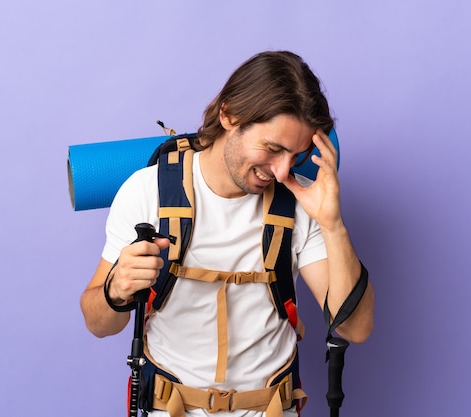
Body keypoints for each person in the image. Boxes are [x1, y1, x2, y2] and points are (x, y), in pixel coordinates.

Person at [80, 50, 375, 417]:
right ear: (228, 114)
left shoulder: (301, 203)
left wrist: (333, 223)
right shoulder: (147, 191)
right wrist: (115, 290)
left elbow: (356, 328)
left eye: (295, 156)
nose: (282, 171)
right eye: (272, 149)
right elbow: (98, 323)